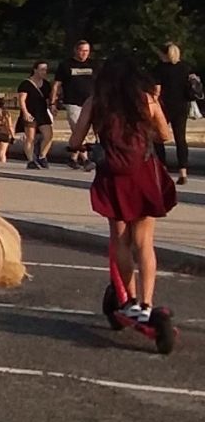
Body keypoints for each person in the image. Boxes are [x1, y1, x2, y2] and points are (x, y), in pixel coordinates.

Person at [67, 59, 176, 322]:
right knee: (145, 242)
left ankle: (129, 300)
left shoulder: (96, 102)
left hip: (112, 176)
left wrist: (84, 146)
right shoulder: (146, 99)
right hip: (144, 172)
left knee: (120, 240)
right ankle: (147, 304)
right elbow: (165, 135)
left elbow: (74, 140)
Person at [54, 39, 96, 169]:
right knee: (78, 128)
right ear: (76, 50)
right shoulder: (66, 65)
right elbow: (57, 84)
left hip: (90, 103)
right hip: (73, 103)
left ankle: (73, 158)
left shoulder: (95, 65)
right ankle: (86, 160)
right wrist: (53, 101)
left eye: (87, 51)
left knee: (86, 132)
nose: (84, 53)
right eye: (82, 50)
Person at [155, 42, 192, 185]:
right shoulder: (185, 67)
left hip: (164, 106)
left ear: (164, 54)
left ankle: (162, 168)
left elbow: (156, 90)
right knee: (180, 139)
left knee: (158, 138)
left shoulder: (159, 69)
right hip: (182, 106)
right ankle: (183, 172)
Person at [17, 60, 53, 170]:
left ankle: (42, 156)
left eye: (45, 70)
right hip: (30, 112)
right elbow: (22, 100)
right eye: (42, 69)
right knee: (30, 137)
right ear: (35, 70)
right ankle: (30, 160)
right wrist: (25, 112)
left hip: (42, 112)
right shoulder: (26, 84)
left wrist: (52, 107)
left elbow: (48, 99)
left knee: (49, 135)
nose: (44, 72)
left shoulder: (46, 84)